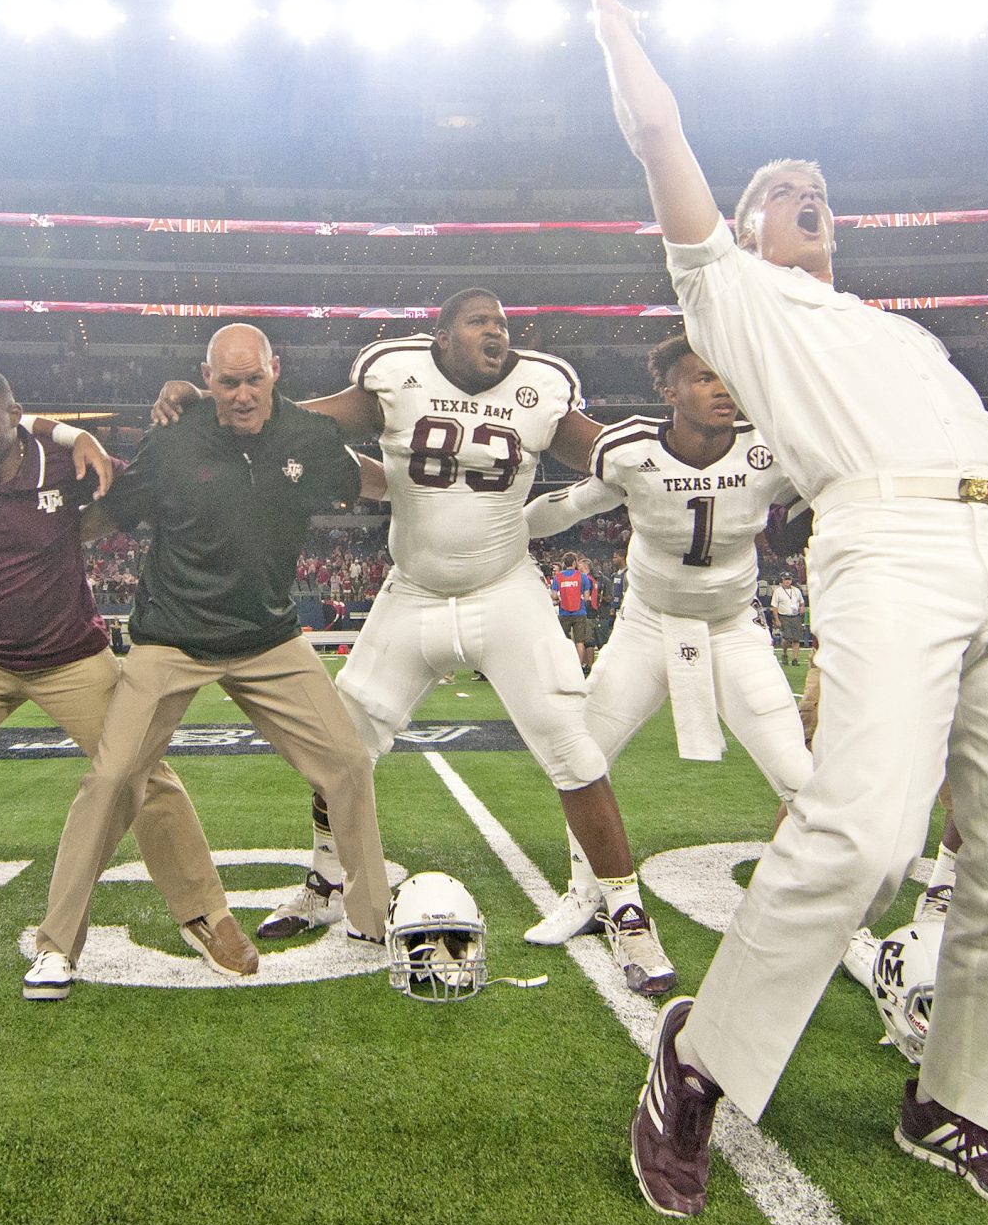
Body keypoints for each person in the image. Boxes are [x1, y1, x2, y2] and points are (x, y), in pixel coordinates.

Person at [592, 0, 988, 1222]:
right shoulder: (736, 300)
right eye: (782, 196)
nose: (809, 207)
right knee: (864, 829)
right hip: (885, 534)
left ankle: (960, 1100)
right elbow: (658, 139)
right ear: (748, 231)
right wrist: (618, 37)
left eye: (822, 201)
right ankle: (697, 1057)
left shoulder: (906, 333)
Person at [162, 291, 678, 996]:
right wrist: (209, 401)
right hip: (412, 592)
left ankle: (625, 910)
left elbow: (599, 449)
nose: (497, 331)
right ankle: (326, 880)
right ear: (441, 336)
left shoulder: (541, 387)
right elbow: (302, 422)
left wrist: (665, 457)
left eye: (502, 322)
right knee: (342, 743)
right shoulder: (394, 373)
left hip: (505, 591)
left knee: (571, 743)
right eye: (480, 321)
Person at [0, 367, 255, 982]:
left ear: (13, 414)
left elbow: (126, 494)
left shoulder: (66, 466)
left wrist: (63, 434)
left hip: (71, 656)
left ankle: (206, 915)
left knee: (144, 776)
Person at [26, 325, 388, 1001]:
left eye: (254, 379)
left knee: (347, 763)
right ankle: (55, 945)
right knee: (110, 780)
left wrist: (443, 496)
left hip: (269, 638)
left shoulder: (309, 437)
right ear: (208, 378)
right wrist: (36, 548)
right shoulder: (172, 440)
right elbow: (112, 514)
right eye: (228, 381)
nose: (243, 394)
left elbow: (367, 482)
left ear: (276, 372)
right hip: (173, 638)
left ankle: (373, 920)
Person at [521, 336, 811, 943]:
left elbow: (833, 492)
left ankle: (810, 913)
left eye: (726, 377)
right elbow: (569, 505)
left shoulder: (772, 447)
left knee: (800, 778)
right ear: (669, 391)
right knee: (583, 760)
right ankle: (587, 895)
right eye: (703, 378)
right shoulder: (630, 450)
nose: (722, 389)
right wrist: (491, 533)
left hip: (733, 628)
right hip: (646, 626)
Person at [550, 553, 597, 666]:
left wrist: (561, 598)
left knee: (565, 640)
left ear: (564, 563)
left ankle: (565, 665)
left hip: (564, 612)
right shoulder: (583, 577)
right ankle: (579, 666)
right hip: (579, 612)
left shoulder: (558, 577)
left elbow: (553, 595)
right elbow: (586, 597)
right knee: (580, 642)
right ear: (575, 562)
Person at [769, 576, 807, 663]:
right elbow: (774, 606)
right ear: (782, 581)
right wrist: (777, 619)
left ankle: (795, 659)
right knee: (787, 638)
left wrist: (802, 608)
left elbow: (801, 602)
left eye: (789, 579)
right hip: (784, 616)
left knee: (797, 638)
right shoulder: (778, 591)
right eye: (785, 580)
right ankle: (784, 653)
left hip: (795, 616)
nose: (787, 581)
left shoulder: (796, 590)